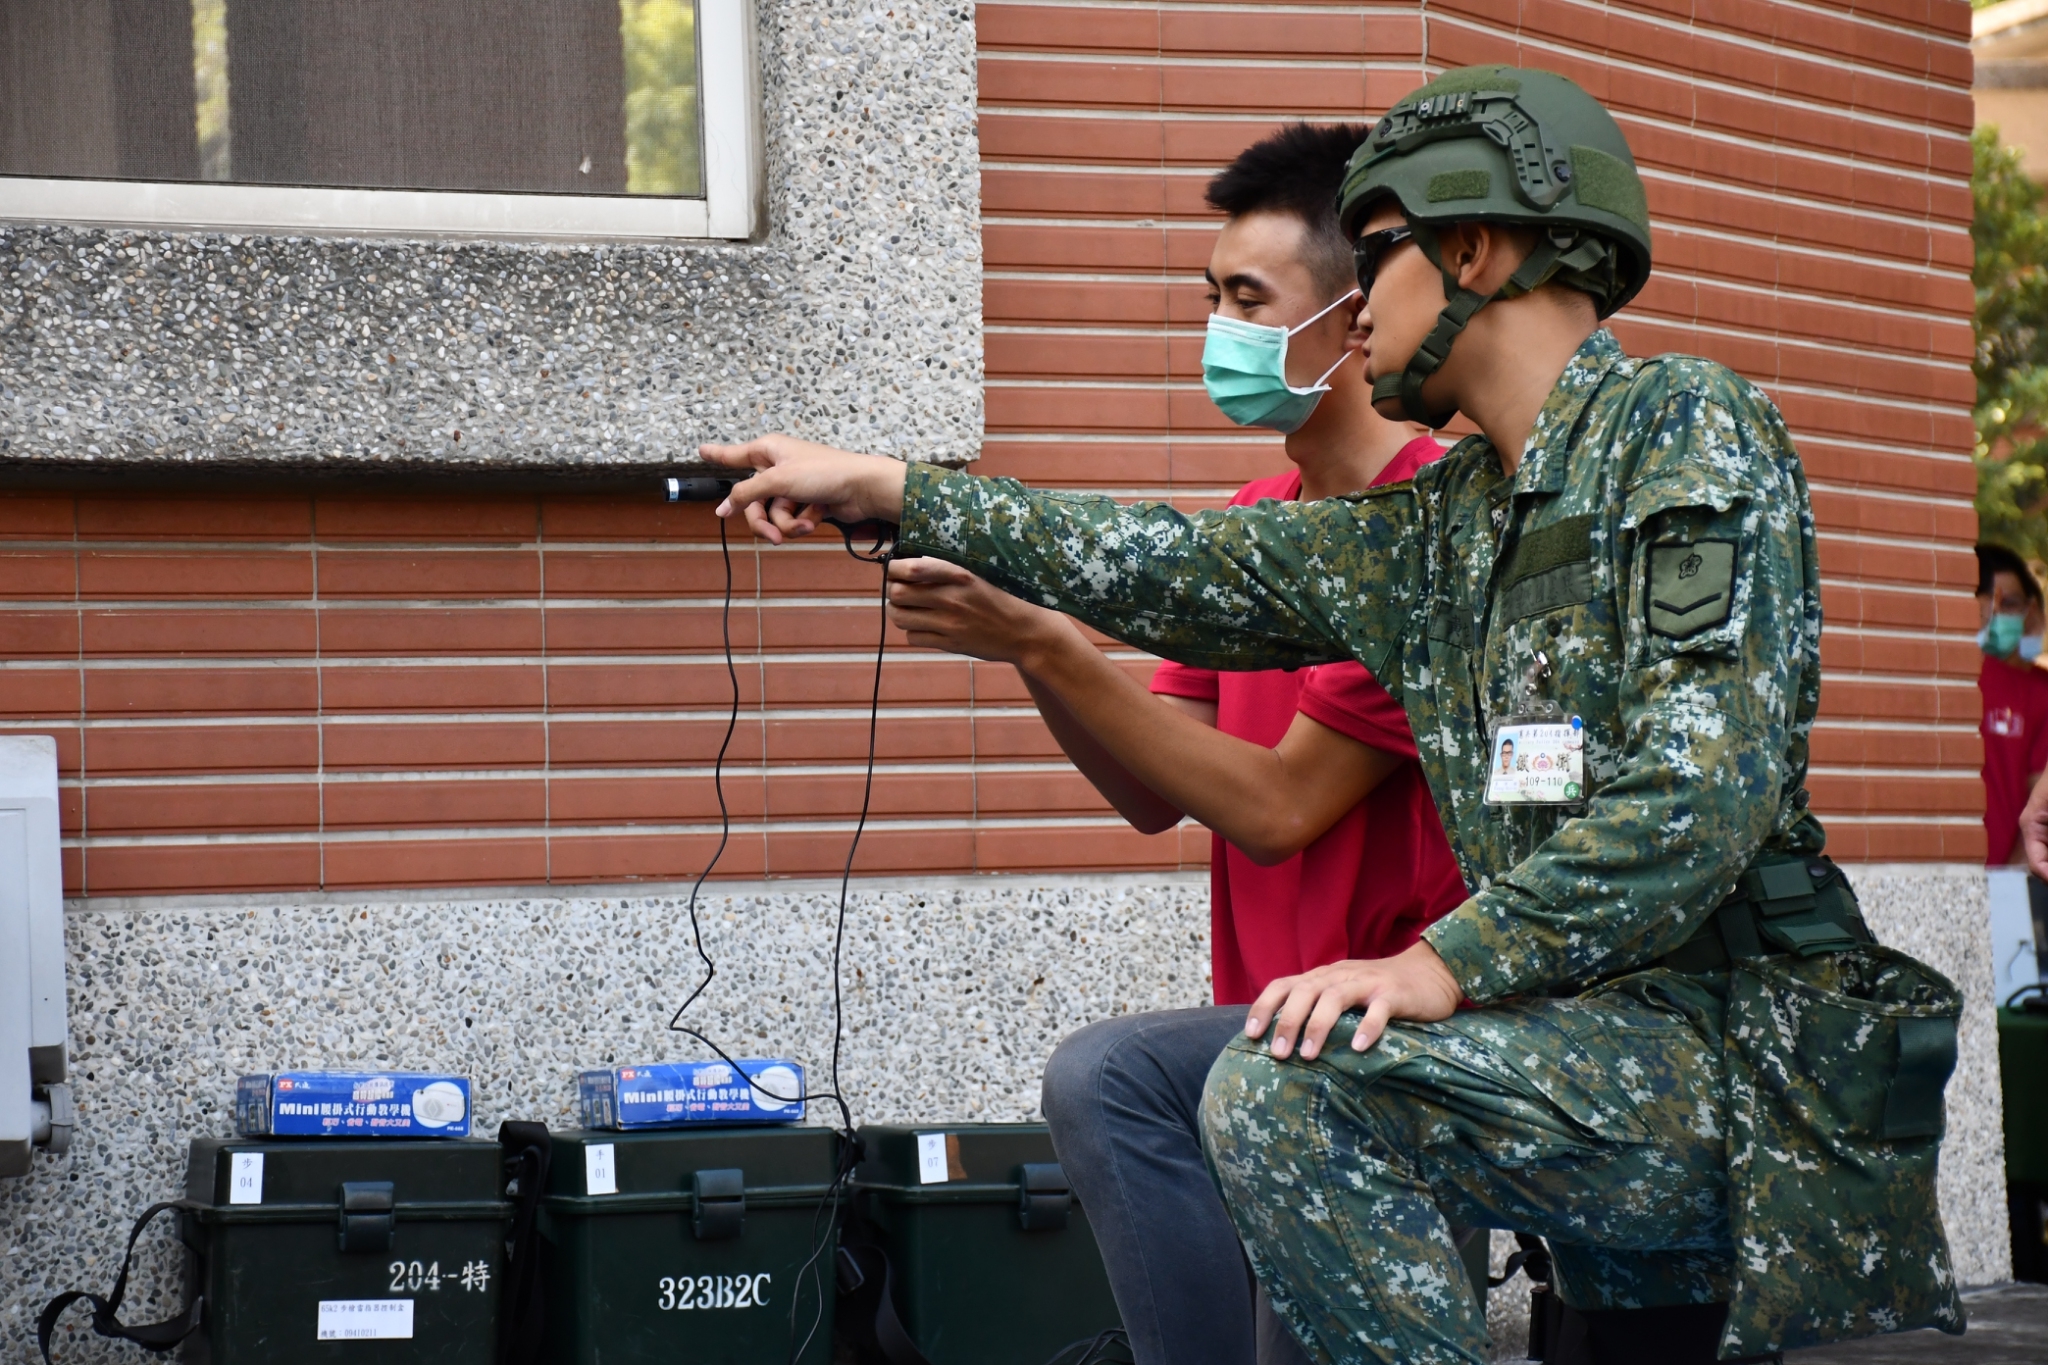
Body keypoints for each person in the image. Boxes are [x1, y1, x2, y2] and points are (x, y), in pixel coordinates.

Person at [706, 65, 1961, 1365]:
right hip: (1574, 1062)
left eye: (1380, 260)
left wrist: (1440, 964)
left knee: (1292, 1093)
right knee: (1200, 1080)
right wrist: (898, 490)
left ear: (1472, 250)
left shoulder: (1682, 426)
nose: (1356, 320)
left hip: (1739, 1064)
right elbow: (1171, 569)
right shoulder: (1442, 527)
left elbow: (1699, 790)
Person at [878, 124, 1468, 1365]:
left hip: (1389, 1039)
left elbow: (1272, 808)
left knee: (1108, 1077)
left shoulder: (1423, 535)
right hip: (1264, 1027)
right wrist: (1027, 642)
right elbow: (1154, 789)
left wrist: (1048, 645)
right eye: (1209, 298)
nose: (1218, 329)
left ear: (1352, 321)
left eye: (1247, 299)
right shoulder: (1255, 527)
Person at [1976, 543, 2048, 866]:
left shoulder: (2041, 690)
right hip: (1951, 867)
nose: (1998, 613)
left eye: (2011, 604)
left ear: (2031, 611)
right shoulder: (1956, 678)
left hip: (2012, 876)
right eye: (1992, 602)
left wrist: (2011, 879)